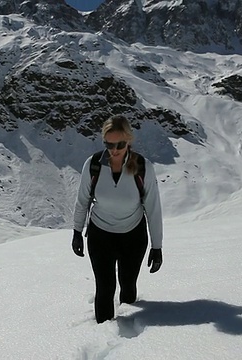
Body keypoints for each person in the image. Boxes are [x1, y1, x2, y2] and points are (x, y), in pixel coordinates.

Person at [72, 114, 164, 324]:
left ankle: (130, 327)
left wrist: (157, 247)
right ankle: (103, 337)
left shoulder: (142, 167)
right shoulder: (93, 164)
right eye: (109, 144)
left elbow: (153, 209)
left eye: (120, 144)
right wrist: (77, 232)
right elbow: (82, 200)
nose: (113, 150)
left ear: (129, 141)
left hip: (133, 237)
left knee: (128, 286)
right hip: (100, 236)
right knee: (104, 288)